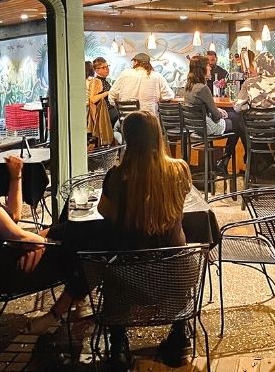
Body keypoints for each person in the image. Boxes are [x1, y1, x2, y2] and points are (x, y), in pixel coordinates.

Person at [0, 133, 85, 334]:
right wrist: (45, 244)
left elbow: (14, 217)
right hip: (7, 272)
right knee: (86, 256)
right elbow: (17, 235)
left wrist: (16, 176)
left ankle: (76, 303)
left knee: (70, 230)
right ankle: (56, 315)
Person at [97, 111, 193, 369]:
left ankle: (118, 344)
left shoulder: (116, 176)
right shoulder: (179, 170)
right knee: (179, 250)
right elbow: (181, 205)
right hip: (173, 276)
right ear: (158, 135)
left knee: (111, 259)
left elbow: (105, 213)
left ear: (127, 138)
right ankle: (179, 337)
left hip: (128, 278)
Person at [185, 55, 245, 174]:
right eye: (208, 66)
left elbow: (204, 109)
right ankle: (229, 161)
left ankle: (225, 161)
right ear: (202, 69)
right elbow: (216, 116)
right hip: (208, 128)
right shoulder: (203, 88)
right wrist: (220, 113)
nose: (210, 68)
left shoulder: (189, 87)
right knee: (239, 120)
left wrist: (218, 110)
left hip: (195, 128)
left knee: (236, 121)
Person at [234, 51, 275, 137]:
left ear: (258, 66)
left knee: (239, 121)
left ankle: (251, 150)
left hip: (255, 130)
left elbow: (237, 107)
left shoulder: (249, 83)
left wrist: (249, 106)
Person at [108, 52, 174, 116]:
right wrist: (156, 102)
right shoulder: (157, 76)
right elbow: (169, 96)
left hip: (127, 119)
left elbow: (112, 95)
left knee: (116, 127)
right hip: (149, 120)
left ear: (136, 62)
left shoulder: (125, 74)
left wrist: (120, 107)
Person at [87, 57, 114, 146]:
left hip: (109, 112)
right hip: (105, 114)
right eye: (103, 67)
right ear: (96, 70)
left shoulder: (104, 81)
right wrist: (108, 92)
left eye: (107, 66)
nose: (107, 69)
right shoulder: (97, 81)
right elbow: (93, 99)